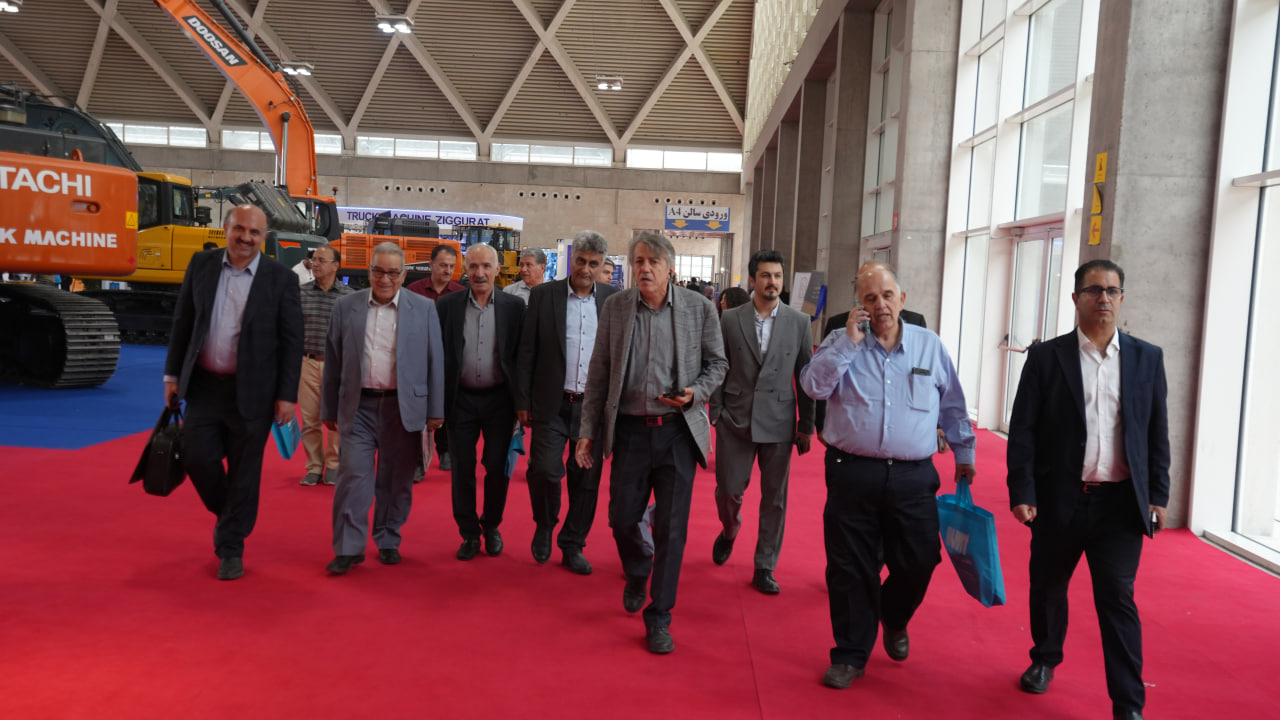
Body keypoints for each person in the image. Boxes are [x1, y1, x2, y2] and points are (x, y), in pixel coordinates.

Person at [798, 262, 975, 689]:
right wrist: (848, 344)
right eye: (870, 298)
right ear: (859, 303)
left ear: (902, 299)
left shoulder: (929, 346)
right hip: (852, 472)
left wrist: (964, 451)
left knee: (921, 559)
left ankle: (893, 617)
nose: (880, 305)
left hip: (914, 476)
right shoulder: (841, 341)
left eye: (887, 295)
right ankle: (850, 654)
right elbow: (812, 387)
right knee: (849, 567)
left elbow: (952, 404)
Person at [1006, 259, 1169, 720]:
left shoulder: (1147, 358)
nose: (1104, 298)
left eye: (1112, 291)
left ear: (1122, 298)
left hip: (1119, 506)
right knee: (1048, 586)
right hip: (1059, 499)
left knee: (1117, 598)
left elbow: (1156, 431)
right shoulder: (1046, 358)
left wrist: (1158, 493)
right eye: (1095, 290)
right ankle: (1045, 658)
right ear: (1076, 298)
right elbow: (1023, 431)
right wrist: (1022, 490)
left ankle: (1128, 703)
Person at [576, 230, 727, 655]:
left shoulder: (698, 308)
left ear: (670, 269)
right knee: (622, 519)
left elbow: (718, 364)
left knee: (671, 530)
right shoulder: (616, 307)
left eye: (653, 262)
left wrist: (695, 393)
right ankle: (639, 568)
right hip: (629, 431)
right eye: (638, 261)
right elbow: (599, 373)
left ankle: (660, 615)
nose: (644, 269)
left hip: (677, 431)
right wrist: (587, 431)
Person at [163, 204, 303, 581]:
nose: (246, 238)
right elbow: (183, 321)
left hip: (255, 392)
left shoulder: (281, 279)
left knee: (244, 472)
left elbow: (292, 341)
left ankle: (230, 548)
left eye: (254, 232)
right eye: (240, 229)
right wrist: (172, 374)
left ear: (264, 238)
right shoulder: (201, 265)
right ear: (226, 229)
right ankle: (231, 515)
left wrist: (287, 395)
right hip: (205, 386)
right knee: (196, 456)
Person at [322, 242, 445, 574]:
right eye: (379, 271)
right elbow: (333, 360)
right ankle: (348, 548)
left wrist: (435, 410)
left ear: (403, 275)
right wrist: (328, 408)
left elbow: (435, 361)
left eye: (393, 272)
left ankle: (389, 538)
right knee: (353, 478)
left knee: (396, 480)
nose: (385, 279)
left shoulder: (423, 309)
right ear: (369, 272)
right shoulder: (346, 307)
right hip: (358, 407)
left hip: (402, 409)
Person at [708, 249, 815, 594]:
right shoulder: (729, 319)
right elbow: (717, 366)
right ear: (752, 280)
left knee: (775, 499)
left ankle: (765, 565)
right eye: (766, 276)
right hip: (735, 420)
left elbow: (805, 377)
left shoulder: (799, 323)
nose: (773, 282)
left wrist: (806, 425)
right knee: (729, 491)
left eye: (778, 276)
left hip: (779, 423)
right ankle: (729, 529)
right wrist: (716, 412)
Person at [516, 231, 617, 575]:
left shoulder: (613, 300)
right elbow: (527, 350)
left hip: (593, 409)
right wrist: (522, 399)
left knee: (586, 481)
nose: (586, 269)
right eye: (581, 261)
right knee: (544, 470)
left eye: (593, 264)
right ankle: (545, 524)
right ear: (572, 260)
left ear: (602, 266)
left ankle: (573, 543)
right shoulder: (544, 296)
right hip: (551, 403)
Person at [437, 244, 525, 560]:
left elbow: (521, 358)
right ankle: (469, 533)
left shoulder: (515, 307)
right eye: (473, 266)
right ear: (466, 270)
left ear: (498, 269)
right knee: (462, 469)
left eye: (486, 266)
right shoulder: (447, 306)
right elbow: (438, 355)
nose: (480, 273)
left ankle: (491, 526)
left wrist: (522, 403)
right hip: (460, 400)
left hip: (500, 400)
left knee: (497, 468)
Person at [815, 262, 928, 446]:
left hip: (903, 428)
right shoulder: (838, 325)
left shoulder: (916, 323)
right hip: (851, 433)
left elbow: (925, 376)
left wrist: (938, 424)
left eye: (886, 293)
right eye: (863, 282)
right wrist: (820, 423)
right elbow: (825, 376)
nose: (880, 302)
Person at [297, 244, 353, 486]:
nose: (315, 263)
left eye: (321, 260)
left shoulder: (349, 297)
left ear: (335, 266)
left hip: (337, 365)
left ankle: (333, 464)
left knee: (336, 418)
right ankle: (314, 466)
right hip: (307, 362)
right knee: (309, 419)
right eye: (314, 259)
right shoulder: (301, 293)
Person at [406, 244, 465, 473]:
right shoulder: (413, 290)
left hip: (449, 360)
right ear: (431, 265)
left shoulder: (461, 293)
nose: (447, 270)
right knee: (417, 408)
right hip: (418, 359)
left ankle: (445, 450)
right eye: (443, 265)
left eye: (451, 266)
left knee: (447, 404)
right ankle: (417, 459)